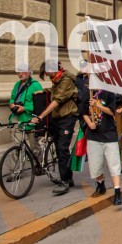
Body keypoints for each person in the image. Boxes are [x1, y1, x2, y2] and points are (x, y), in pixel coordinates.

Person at [35, 61, 78, 196]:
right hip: (58, 118)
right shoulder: (57, 80)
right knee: (60, 149)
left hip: (67, 118)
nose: (48, 76)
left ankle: (65, 181)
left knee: (63, 148)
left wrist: (41, 116)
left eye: (48, 73)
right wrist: (43, 91)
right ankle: (68, 177)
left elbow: (57, 100)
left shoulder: (66, 80)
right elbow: (55, 93)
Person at [83, 89, 122, 205]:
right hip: (94, 136)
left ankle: (117, 191)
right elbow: (83, 112)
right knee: (95, 165)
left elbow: (112, 112)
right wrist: (89, 123)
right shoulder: (87, 92)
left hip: (109, 134)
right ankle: (100, 184)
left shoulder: (109, 92)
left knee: (114, 164)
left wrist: (98, 105)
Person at [9, 64, 43, 157]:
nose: (20, 74)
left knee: (34, 147)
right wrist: (12, 104)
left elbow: (39, 103)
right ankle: (17, 169)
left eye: (23, 71)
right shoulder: (17, 84)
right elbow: (12, 98)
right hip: (17, 119)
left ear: (29, 72)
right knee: (17, 145)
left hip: (30, 119)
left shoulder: (36, 85)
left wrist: (25, 108)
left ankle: (38, 167)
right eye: (18, 72)